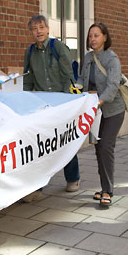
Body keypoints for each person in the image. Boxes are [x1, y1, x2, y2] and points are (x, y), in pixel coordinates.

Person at [23, 14, 80, 196]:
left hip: (61, 103)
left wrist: (63, 102)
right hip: (42, 105)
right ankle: (37, 187)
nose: (38, 31)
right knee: (42, 146)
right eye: (34, 28)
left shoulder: (59, 47)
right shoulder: (30, 52)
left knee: (64, 141)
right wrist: (23, 100)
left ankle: (73, 178)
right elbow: (28, 79)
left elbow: (68, 76)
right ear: (31, 32)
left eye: (41, 27)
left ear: (47, 29)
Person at [77, 23, 125, 206]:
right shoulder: (88, 57)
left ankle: (108, 191)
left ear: (105, 37)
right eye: (90, 36)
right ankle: (105, 186)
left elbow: (113, 86)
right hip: (95, 110)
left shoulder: (112, 59)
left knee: (106, 146)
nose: (92, 39)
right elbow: (83, 78)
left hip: (112, 110)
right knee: (98, 147)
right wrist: (77, 87)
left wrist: (99, 101)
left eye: (96, 35)